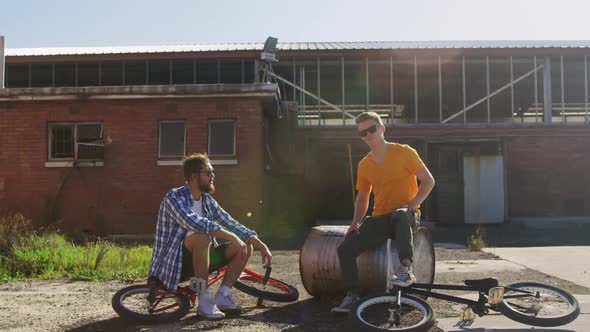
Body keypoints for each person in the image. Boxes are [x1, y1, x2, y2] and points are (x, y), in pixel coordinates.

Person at [331, 112, 435, 313]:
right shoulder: (364, 164)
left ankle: (406, 268)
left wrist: (412, 205)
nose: (368, 135)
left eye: (372, 129)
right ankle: (352, 296)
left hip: (406, 217)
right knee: (345, 249)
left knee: (400, 214)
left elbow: (428, 181)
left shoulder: (404, 152)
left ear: (382, 129)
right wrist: (355, 223)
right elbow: (362, 198)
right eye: (363, 132)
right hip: (380, 219)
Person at [148, 153, 272, 320]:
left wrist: (261, 245)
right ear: (193, 176)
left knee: (243, 245)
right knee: (201, 236)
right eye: (209, 172)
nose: (213, 176)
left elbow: (231, 223)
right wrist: (231, 236)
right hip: (174, 264)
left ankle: (223, 295)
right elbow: (195, 223)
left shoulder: (207, 201)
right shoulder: (174, 197)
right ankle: (204, 301)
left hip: (201, 260)